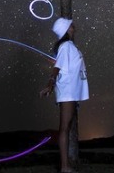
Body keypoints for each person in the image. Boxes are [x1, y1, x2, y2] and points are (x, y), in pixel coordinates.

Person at [40, 17, 88, 173]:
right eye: (72, 26)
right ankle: (65, 167)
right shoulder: (66, 46)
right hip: (67, 91)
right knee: (64, 128)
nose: (75, 28)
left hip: (71, 90)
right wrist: (50, 84)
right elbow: (57, 67)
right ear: (66, 29)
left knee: (66, 127)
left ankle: (65, 165)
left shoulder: (70, 46)